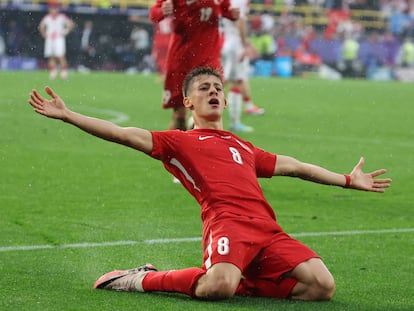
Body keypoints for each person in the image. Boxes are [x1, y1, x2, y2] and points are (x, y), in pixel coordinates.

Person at [28, 66, 391, 301]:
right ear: (187, 101)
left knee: (321, 287)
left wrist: (347, 180)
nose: (214, 92)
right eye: (204, 88)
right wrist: (69, 115)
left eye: (218, 87)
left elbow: (296, 166)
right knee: (217, 287)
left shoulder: (242, 146)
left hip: (268, 230)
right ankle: (141, 278)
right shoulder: (178, 142)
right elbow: (122, 133)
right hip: (227, 224)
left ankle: (237, 278)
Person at [149, 0, 240, 131]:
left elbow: (225, 9)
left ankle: (200, 142)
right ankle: (176, 146)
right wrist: (161, 11)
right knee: (179, 117)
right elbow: (154, 14)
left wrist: (232, 14)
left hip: (209, 57)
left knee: (209, 115)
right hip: (182, 59)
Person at [221, 0, 264, 133]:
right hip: (235, 45)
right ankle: (234, 122)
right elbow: (240, 23)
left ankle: (200, 112)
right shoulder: (240, 1)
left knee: (227, 80)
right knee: (234, 82)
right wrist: (245, 46)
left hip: (226, 41)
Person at [38, 3, 74, 80]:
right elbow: (41, 26)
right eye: (51, 9)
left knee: (60, 56)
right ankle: (53, 72)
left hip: (58, 38)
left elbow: (70, 24)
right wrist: (44, 34)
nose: (53, 11)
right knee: (51, 56)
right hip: (50, 39)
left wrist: (66, 31)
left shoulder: (61, 17)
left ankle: (64, 73)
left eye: (54, 9)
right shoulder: (47, 18)